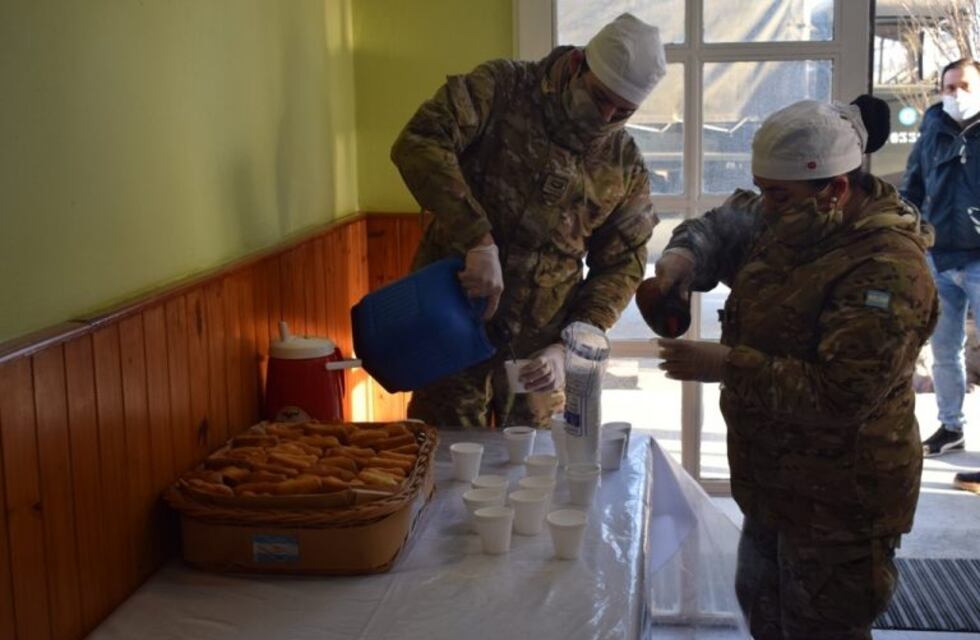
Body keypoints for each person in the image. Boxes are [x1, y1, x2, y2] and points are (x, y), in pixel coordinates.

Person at [651, 97, 938, 639]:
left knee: (820, 628)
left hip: (841, 505)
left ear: (836, 189)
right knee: (763, 612)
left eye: (777, 194)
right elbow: (717, 227)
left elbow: (841, 397)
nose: (765, 204)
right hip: (773, 486)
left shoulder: (886, 270)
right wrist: (681, 259)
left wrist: (729, 365)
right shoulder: (787, 214)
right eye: (762, 189)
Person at [391, 13, 664, 428]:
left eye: (622, 110)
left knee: (538, 471)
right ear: (576, 65)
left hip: (539, 356)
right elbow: (420, 141)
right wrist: (476, 238)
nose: (606, 115)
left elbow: (621, 265)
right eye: (599, 97)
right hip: (452, 317)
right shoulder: (502, 88)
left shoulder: (623, 164)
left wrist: (571, 343)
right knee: (444, 460)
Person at [901, 58, 980, 492]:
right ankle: (951, 427)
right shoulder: (932, 128)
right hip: (940, 256)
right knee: (944, 349)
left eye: (964, 85)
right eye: (949, 87)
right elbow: (914, 182)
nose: (955, 95)